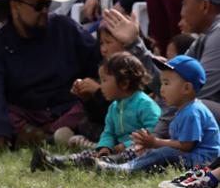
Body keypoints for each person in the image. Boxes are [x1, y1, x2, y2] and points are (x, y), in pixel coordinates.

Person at [0, 0, 100, 150]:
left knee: (89, 105)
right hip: (26, 112)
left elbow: (96, 61)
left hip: (67, 106)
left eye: (47, 5)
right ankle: (40, 135)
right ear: (15, 6)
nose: (44, 11)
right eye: (38, 5)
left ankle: (41, 136)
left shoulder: (65, 28)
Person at [32, 52, 161, 170]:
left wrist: (126, 145)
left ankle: (110, 163)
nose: (101, 85)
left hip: (139, 148)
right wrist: (105, 147)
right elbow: (108, 132)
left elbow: (155, 130)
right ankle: (53, 161)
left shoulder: (144, 104)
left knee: (136, 149)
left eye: (104, 80)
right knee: (89, 154)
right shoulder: (114, 107)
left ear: (124, 83)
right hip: (116, 149)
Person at [97, 55, 220, 173]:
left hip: (203, 160)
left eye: (166, 83)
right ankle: (126, 164)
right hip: (192, 156)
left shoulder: (193, 112)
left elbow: (187, 145)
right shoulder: (185, 109)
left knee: (163, 152)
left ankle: (127, 169)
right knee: (158, 151)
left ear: (186, 88)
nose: (161, 89)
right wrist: (155, 145)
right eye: (162, 83)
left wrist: (156, 143)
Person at [169, 0, 220, 111]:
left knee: (193, 106)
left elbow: (197, 91)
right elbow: (172, 82)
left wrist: (161, 132)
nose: (181, 13)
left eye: (184, 4)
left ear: (204, 5)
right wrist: (134, 45)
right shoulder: (206, 35)